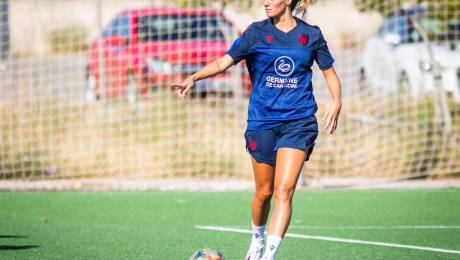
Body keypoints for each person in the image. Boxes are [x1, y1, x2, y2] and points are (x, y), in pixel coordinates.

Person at [172, 0, 342, 259]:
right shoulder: (255, 32)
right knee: (264, 192)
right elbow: (224, 62)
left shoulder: (312, 35)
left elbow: (329, 71)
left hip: (299, 121)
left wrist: (337, 101)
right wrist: (193, 78)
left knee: (284, 190)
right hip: (262, 122)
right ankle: (257, 239)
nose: (265, 2)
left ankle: (269, 255)